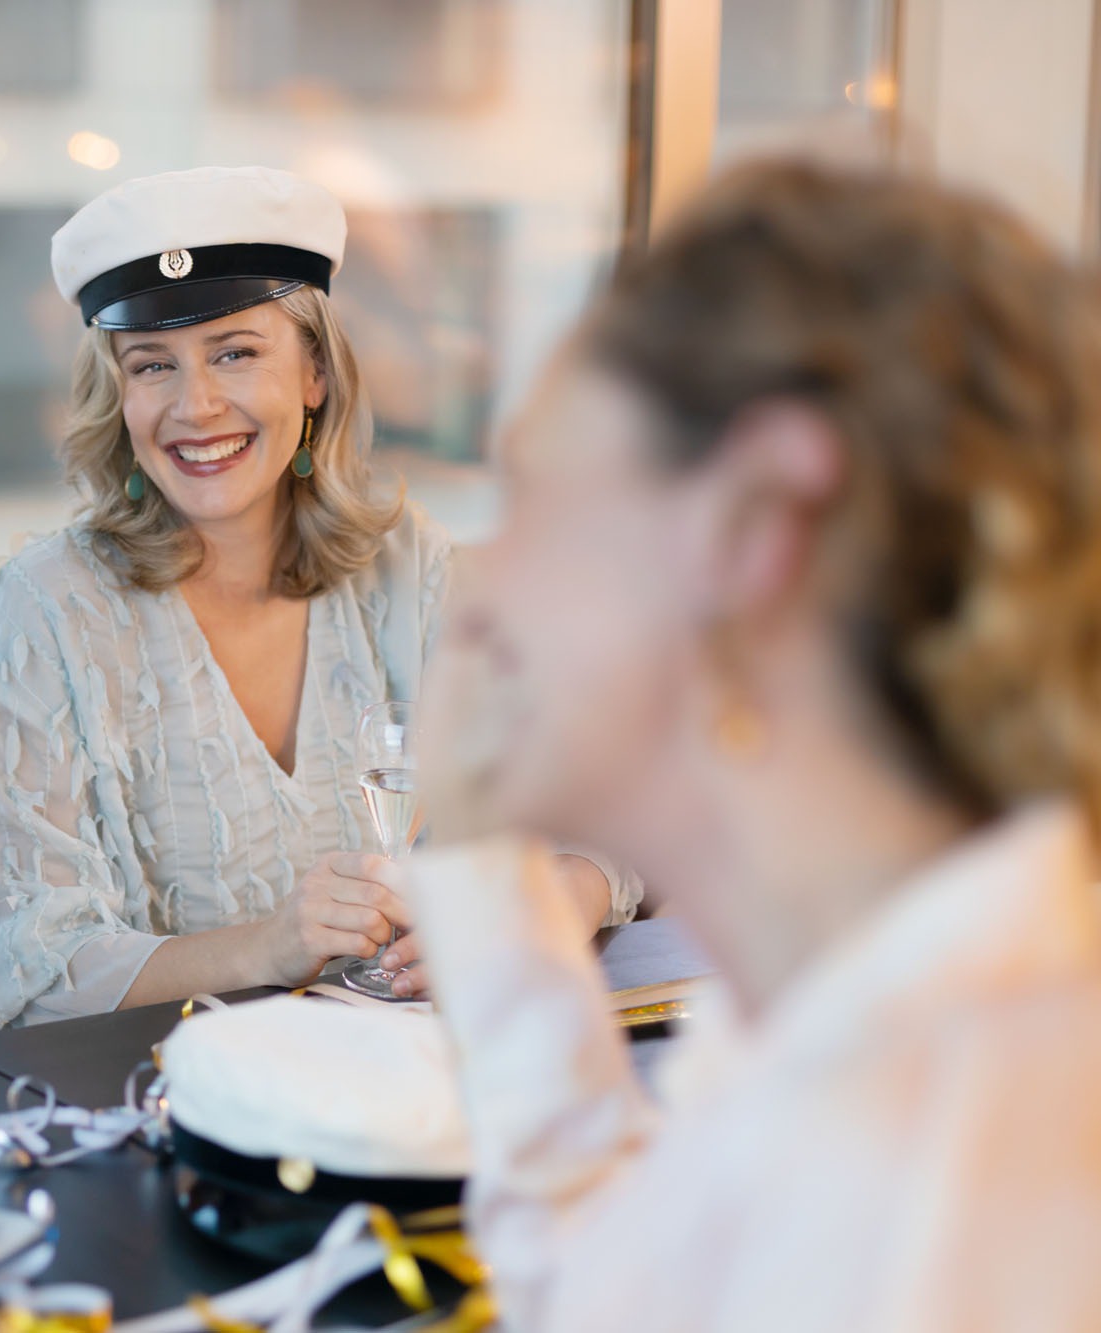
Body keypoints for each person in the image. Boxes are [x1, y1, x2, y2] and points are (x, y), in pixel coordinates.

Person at [405, 159, 1101, 1330]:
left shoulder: (935, 1193)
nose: (478, 597)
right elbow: (611, 1292)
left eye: (530, 494)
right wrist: (481, 878)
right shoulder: (835, 1012)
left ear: (753, 520)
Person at [0, 167, 640, 1034]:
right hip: (151, 1108)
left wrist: (570, 890)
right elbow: (29, 971)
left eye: (235, 352)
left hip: (409, 1081)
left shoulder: (408, 566)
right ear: (119, 398)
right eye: (153, 365)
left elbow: (605, 804)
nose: (195, 406)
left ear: (313, 373)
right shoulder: (44, 613)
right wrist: (268, 946)